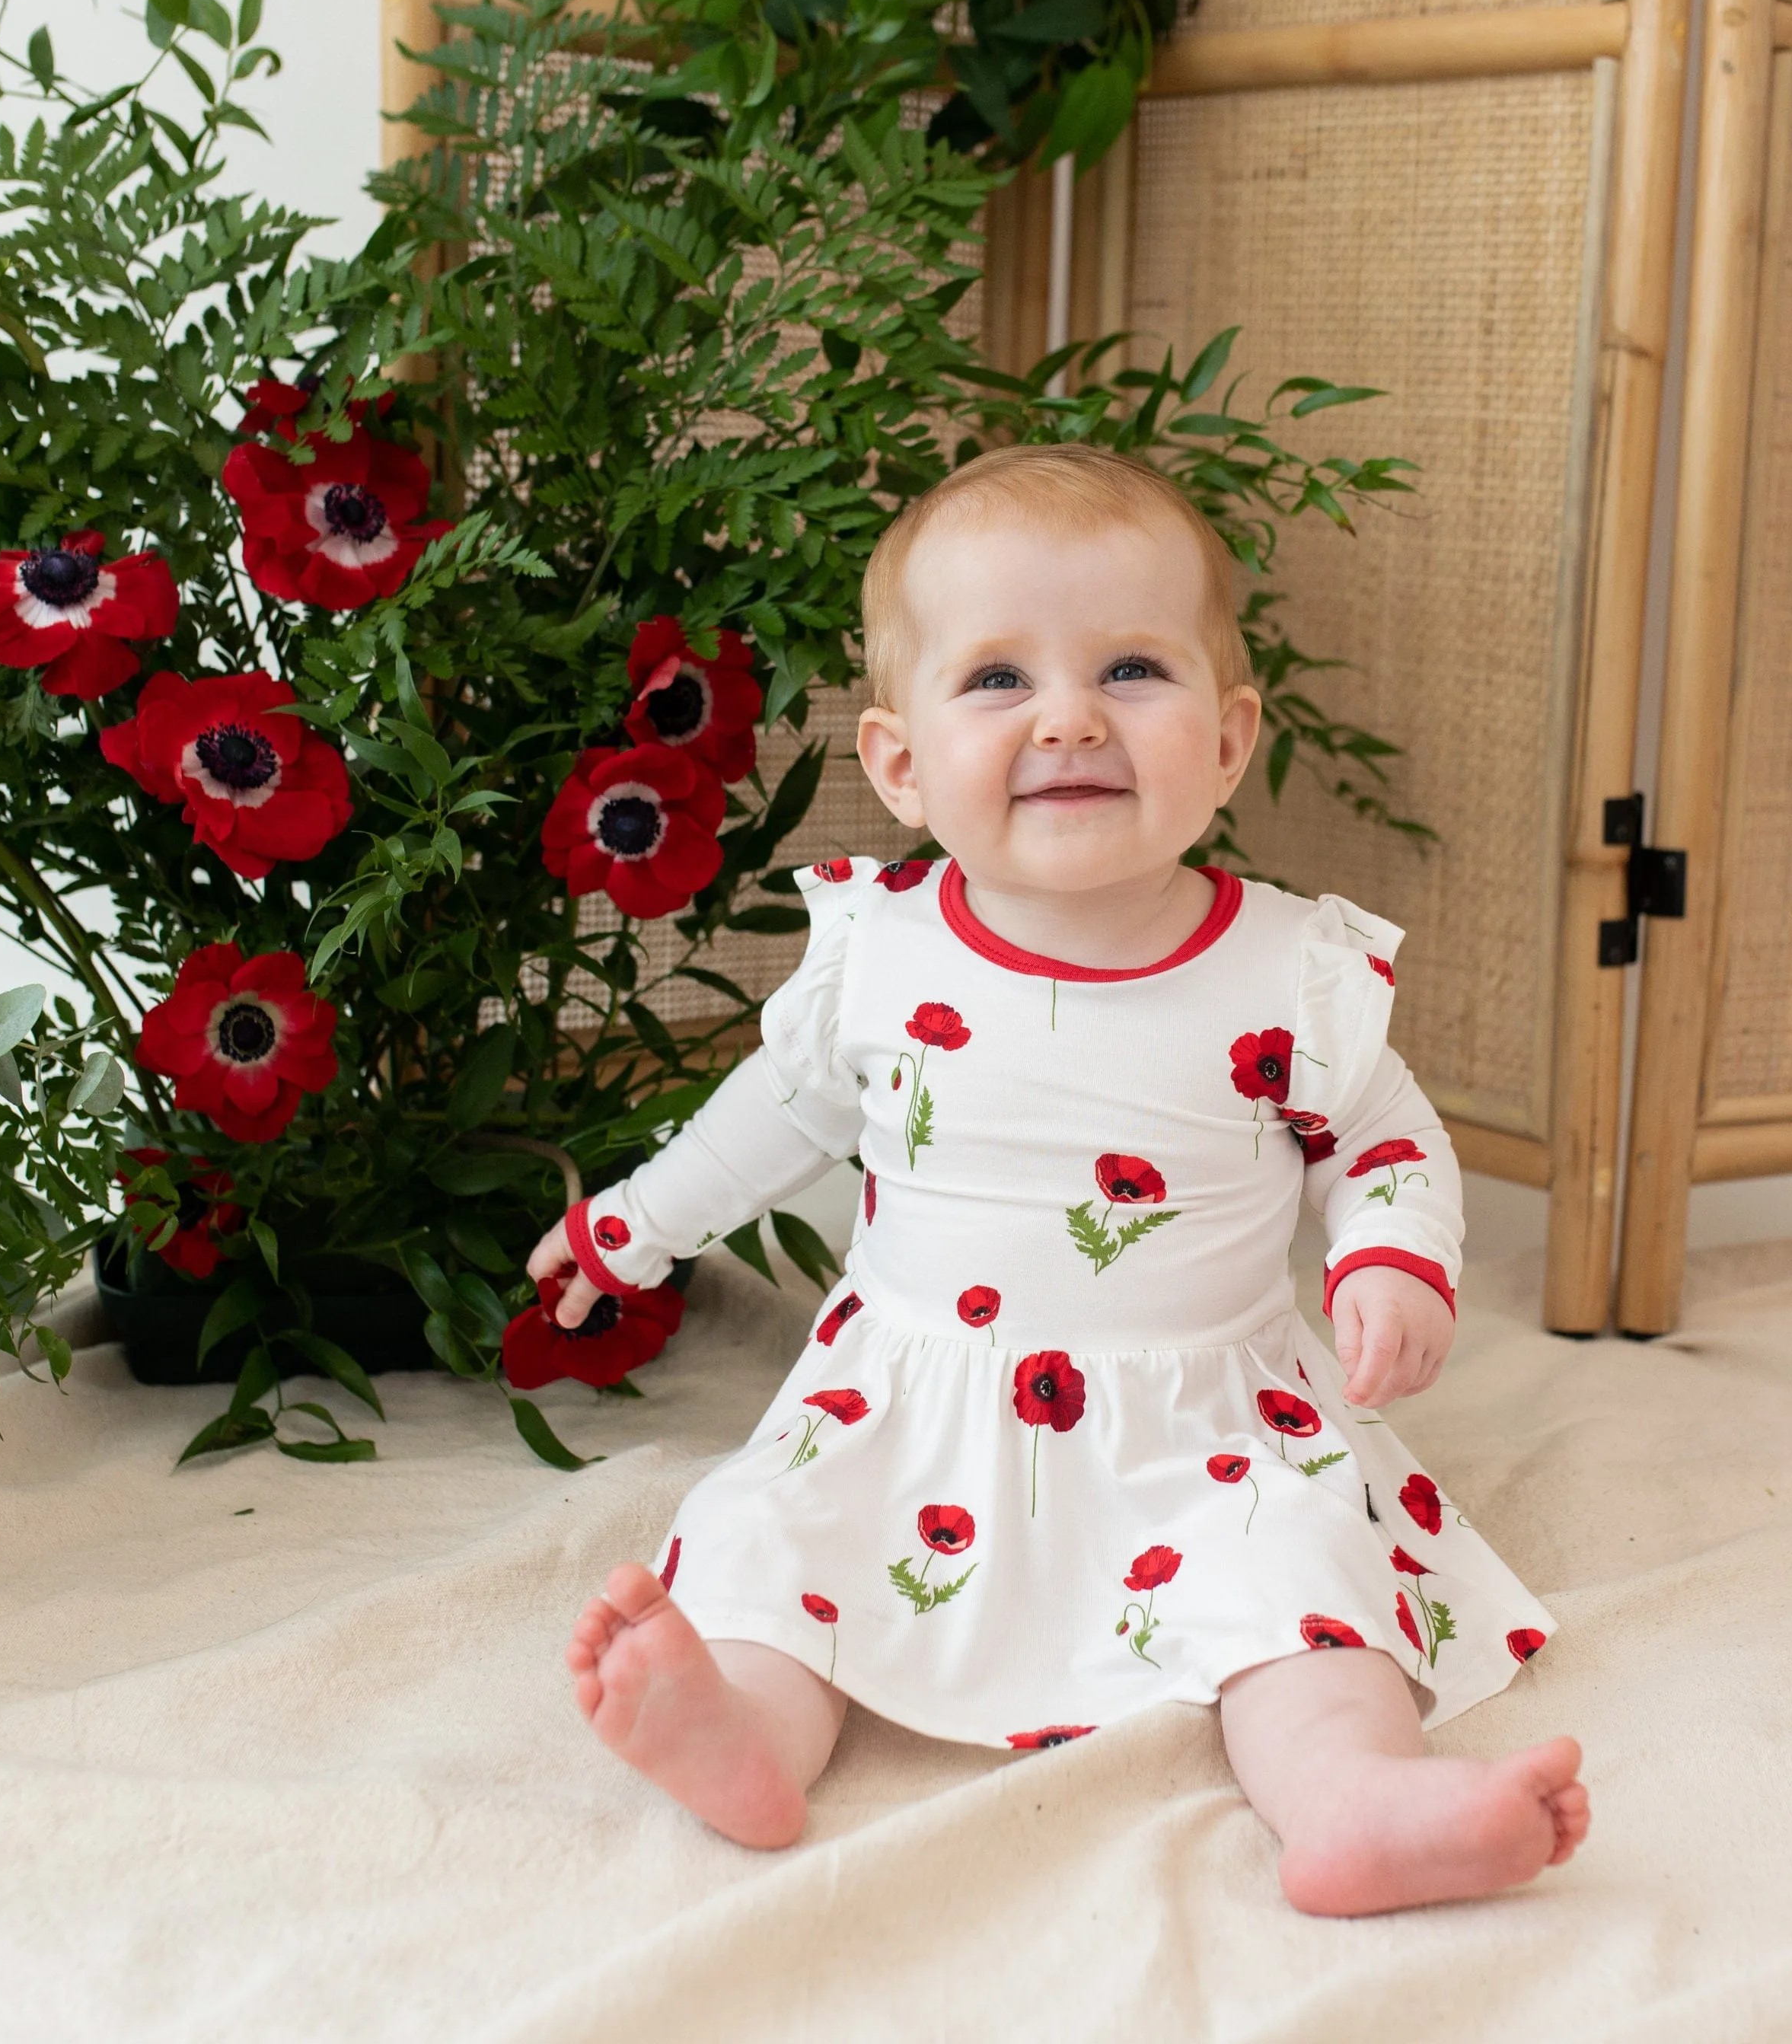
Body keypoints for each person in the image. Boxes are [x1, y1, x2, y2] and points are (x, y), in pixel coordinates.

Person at [531, 444, 1588, 1915]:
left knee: (1302, 1579)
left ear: (1228, 743)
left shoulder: (1290, 971)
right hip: (908, 1406)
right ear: (899, 769)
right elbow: (770, 1116)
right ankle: (744, 1734)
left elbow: (1385, 1137)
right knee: (771, 1533)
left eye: (1133, 669)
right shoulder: (879, 957)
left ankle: (1357, 1798)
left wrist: (1393, 1255)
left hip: (1210, 1420)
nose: (1073, 717)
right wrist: (633, 1225)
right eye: (999, 681)